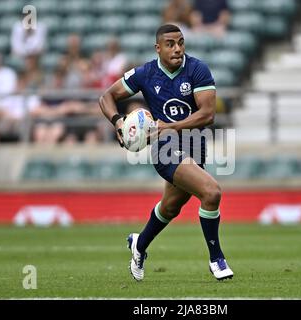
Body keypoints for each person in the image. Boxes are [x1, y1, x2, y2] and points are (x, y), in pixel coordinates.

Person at [99, 24, 233, 281]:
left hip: (195, 145)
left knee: (171, 207)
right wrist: (118, 121)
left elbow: (208, 114)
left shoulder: (197, 69)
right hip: (166, 149)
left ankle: (139, 244)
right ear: (157, 48)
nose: (178, 49)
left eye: (181, 42)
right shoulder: (145, 73)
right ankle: (217, 259)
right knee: (212, 192)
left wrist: (169, 125)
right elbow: (107, 96)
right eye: (170, 44)